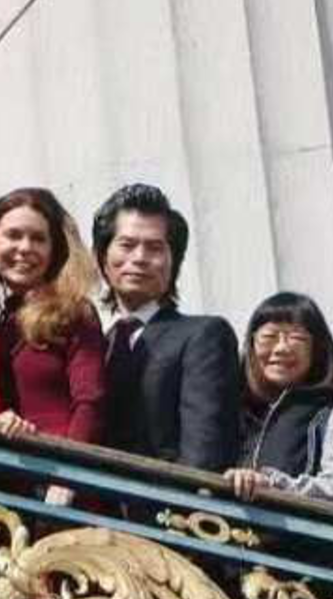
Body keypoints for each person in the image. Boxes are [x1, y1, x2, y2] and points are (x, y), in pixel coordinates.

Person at [89, 183, 241, 472]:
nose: (140, 258)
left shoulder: (204, 335)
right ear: (102, 257)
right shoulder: (96, 344)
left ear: (174, 262)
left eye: (155, 247)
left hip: (166, 511)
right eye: (127, 244)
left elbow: (204, 451)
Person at [0, 187, 106, 443]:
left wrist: (69, 476)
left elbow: (90, 400)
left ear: (54, 250)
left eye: (38, 239)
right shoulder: (4, 323)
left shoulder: (73, 311)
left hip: (58, 471)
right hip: (10, 473)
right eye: (13, 235)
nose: (25, 248)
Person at [225, 292, 333, 505]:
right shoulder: (233, 415)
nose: (281, 348)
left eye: (296, 338)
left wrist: (272, 484)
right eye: (269, 337)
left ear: (317, 350)